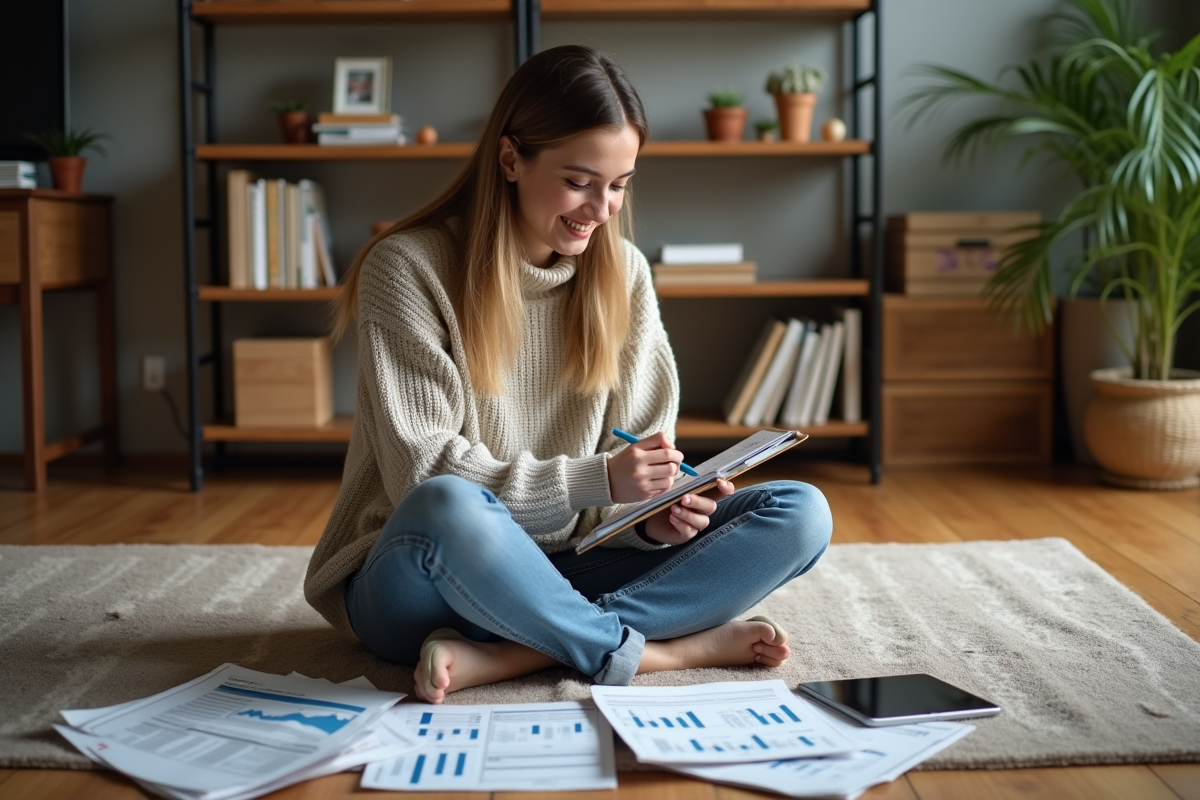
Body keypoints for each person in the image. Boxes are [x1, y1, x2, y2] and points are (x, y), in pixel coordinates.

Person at [305, 44, 833, 704]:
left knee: (801, 512)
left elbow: (634, 466)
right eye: (580, 181)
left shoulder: (626, 276)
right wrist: (600, 477)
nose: (601, 209)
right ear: (510, 159)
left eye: (619, 186)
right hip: (423, 577)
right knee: (449, 503)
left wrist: (651, 517)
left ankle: (506, 656)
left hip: (571, 569)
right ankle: (653, 653)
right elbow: (424, 475)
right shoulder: (406, 268)